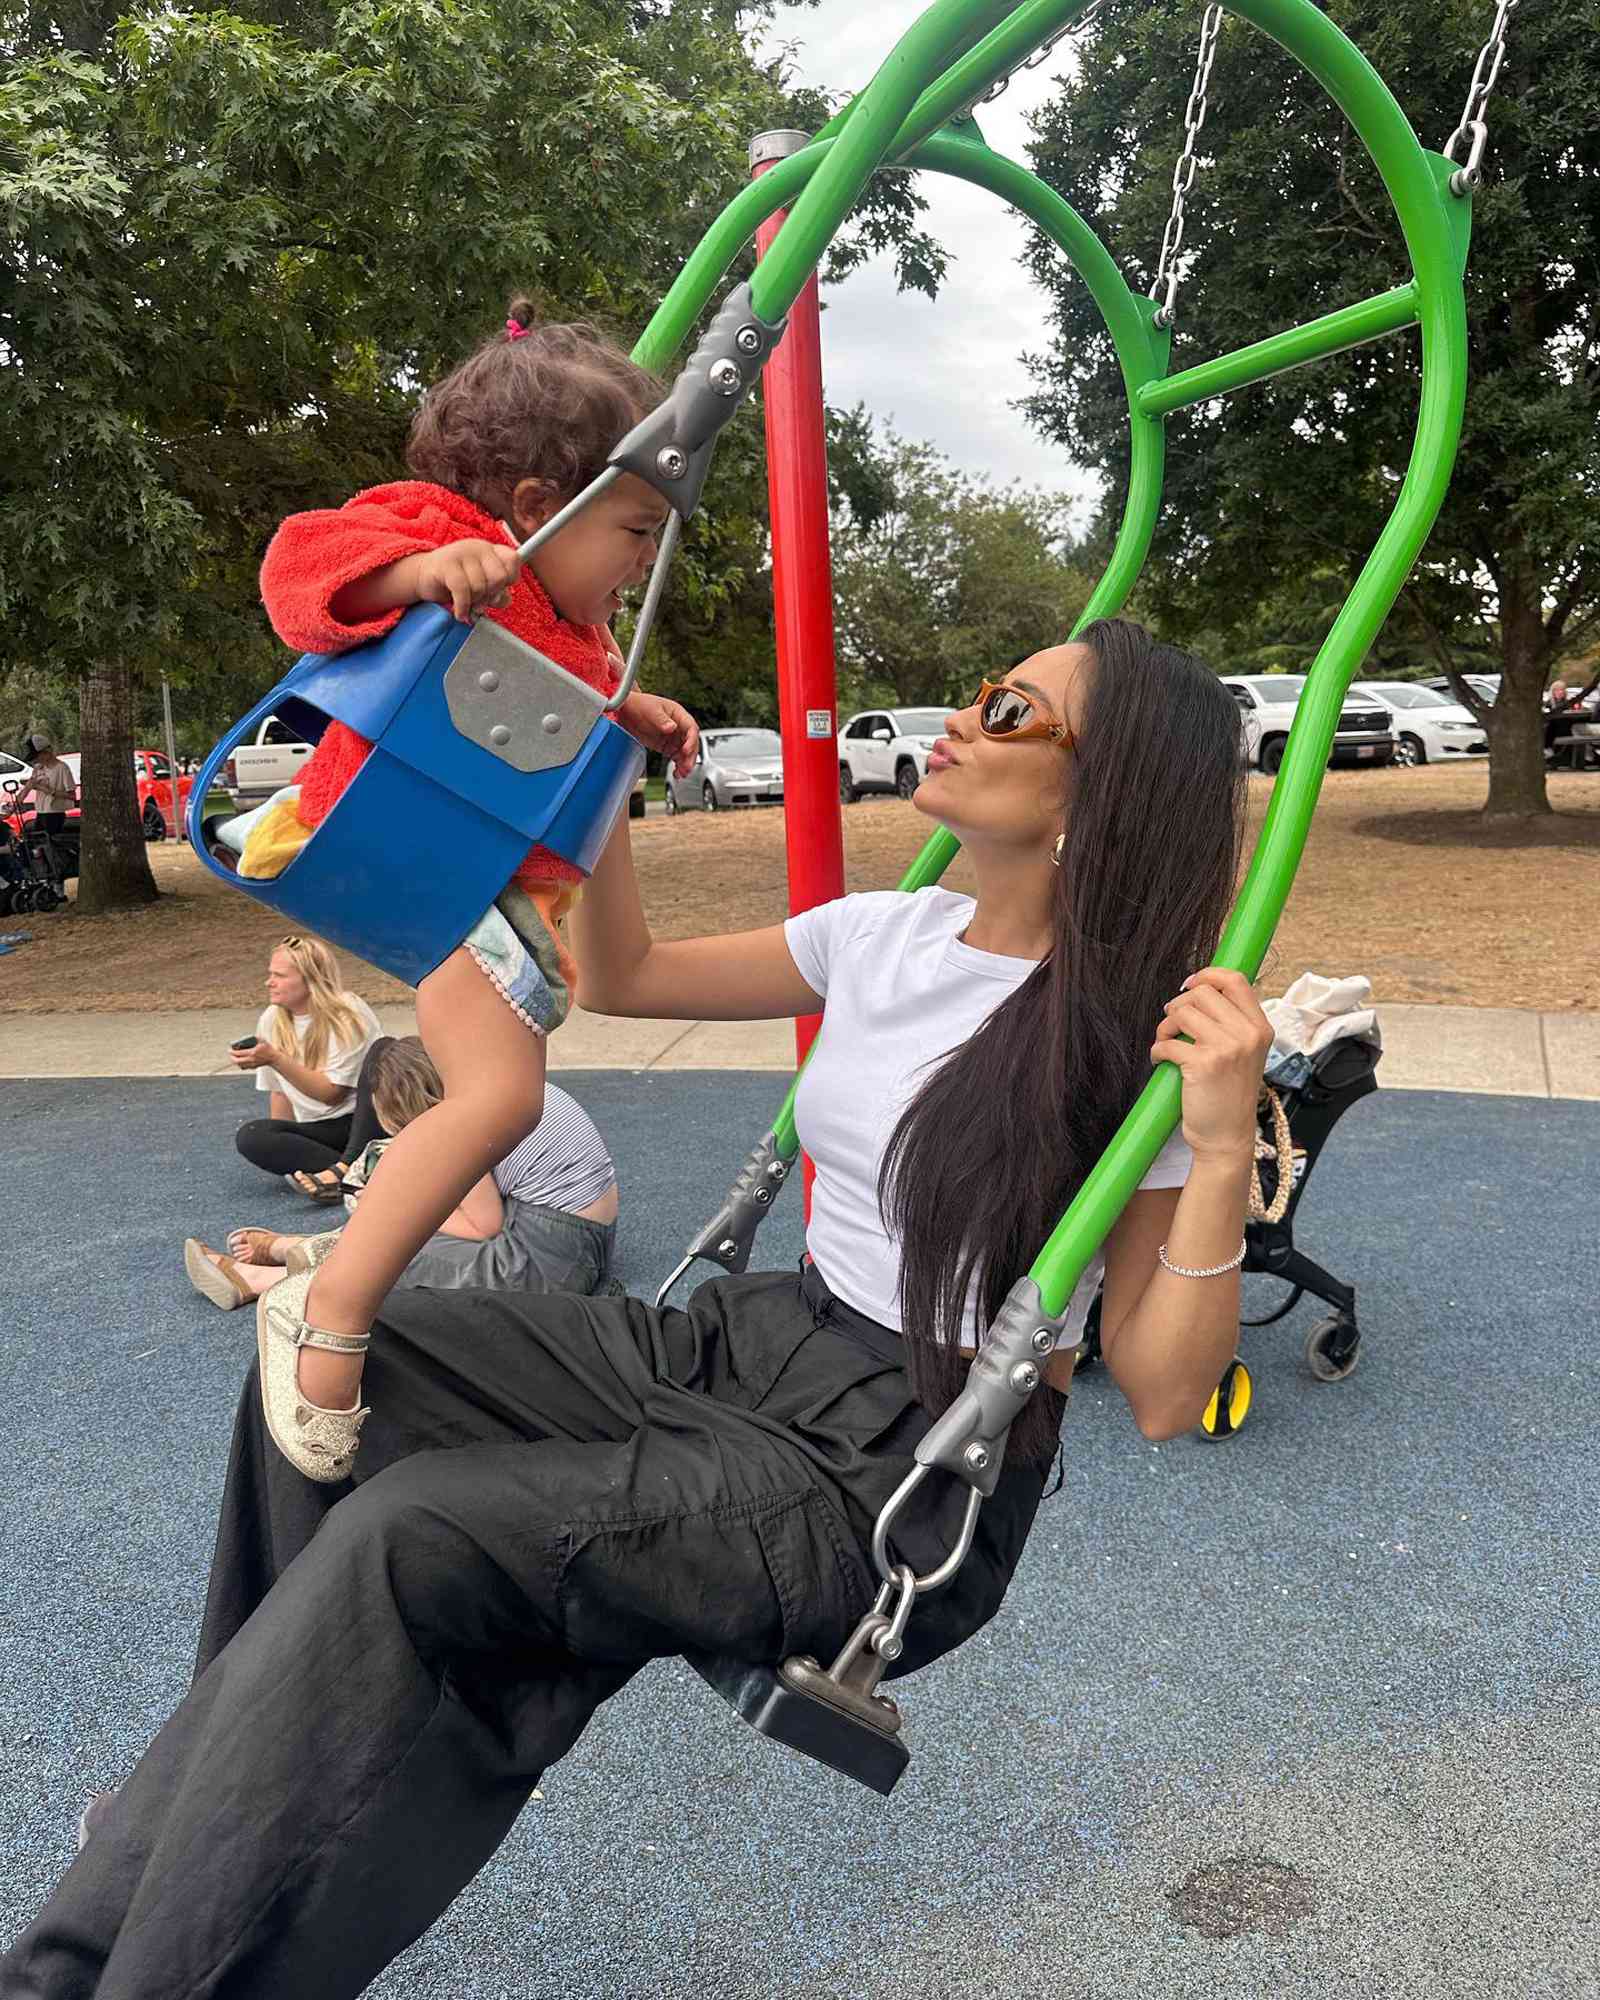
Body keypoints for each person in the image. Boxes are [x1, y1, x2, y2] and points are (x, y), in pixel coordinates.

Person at [1, 623, 1274, 1998]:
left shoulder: (1124, 1032)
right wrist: (604, 783)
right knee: (345, 1345)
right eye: (981, 691)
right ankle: (229, 1786)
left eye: (1014, 708)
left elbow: (1155, 1391)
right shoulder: (883, 933)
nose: (964, 717)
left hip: (891, 1470)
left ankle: (147, 1949)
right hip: (755, 1340)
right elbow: (624, 978)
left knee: (415, 1540)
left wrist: (1214, 1156)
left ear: (1103, 788)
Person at [215, 302, 699, 1481]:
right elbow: (296, 569)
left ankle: (322, 1284)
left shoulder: (573, 628)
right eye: (635, 532)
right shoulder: (447, 536)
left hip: (486, 880)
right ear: (540, 508)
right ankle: (323, 1313)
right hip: (422, 852)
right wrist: (417, 570)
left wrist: (627, 707)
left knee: (502, 1091)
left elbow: (550, 708)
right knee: (497, 1102)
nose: (642, 562)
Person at [187, 1039, 620, 1305]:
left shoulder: (463, 1121)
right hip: (576, 1241)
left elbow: (483, 1226)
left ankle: (268, 1280)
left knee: (403, 1251)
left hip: (548, 1261)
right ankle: (303, 1251)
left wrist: (394, 1207)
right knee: (407, 1226)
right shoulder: (490, 1087)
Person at [231, 937, 383, 1182]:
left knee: (383, 1055)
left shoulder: (348, 1012)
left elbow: (332, 1094)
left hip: (362, 1122)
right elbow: (279, 1093)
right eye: (271, 974)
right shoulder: (272, 1019)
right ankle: (350, 1173)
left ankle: (344, 1171)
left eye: (279, 976)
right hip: (320, 1129)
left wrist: (275, 1059)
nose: (269, 982)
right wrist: (281, 1141)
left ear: (311, 980)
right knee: (253, 1136)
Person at [11, 734, 75, 834]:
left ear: (47, 752)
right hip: (41, 812)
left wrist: (46, 789)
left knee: (49, 844)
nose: (36, 760)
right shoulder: (38, 767)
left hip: (54, 813)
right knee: (35, 842)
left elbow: (72, 795)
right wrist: (14, 804)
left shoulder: (62, 768)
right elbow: (29, 786)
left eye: (37, 757)